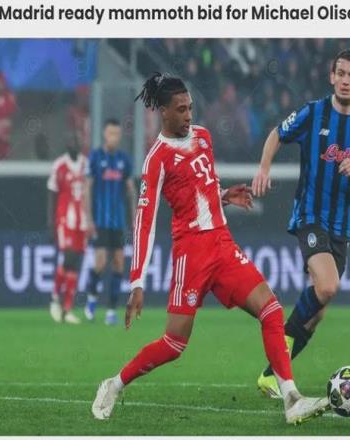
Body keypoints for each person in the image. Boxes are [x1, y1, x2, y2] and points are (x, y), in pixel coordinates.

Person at [91, 73, 329, 425]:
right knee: (175, 344)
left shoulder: (203, 136)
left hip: (222, 244)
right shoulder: (157, 159)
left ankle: (291, 398)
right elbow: (145, 221)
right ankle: (114, 383)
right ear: (163, 112)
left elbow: (200, 189)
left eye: (190, 108)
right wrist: (137, 281)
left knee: (271, 310)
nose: (189, 115)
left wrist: (223, 196)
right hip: (191, 254)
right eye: (181, 110)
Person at [252, 49, 350, 398]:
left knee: (317, 313)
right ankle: (278, 360)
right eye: (341, 73)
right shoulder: (313, 112)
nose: (345, 80)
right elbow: (277, 133)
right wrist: (263, 168)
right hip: (309, 215)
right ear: (331, 76)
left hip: (341, 227)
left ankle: (271, 376)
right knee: (327, 287)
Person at [84, 119, 137, 325]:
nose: (113, 137)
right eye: (110, 133)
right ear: (104, 135)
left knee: (118, 263)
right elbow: (88, 189)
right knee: (100, 262)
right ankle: (91, 297)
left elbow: (130, 190)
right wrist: (88, 218)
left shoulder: (124, 160)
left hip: (118, 222)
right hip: (100, 220)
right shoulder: (96, 157)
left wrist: (134, 218)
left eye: (117, 134)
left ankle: (111, 311)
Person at [47, 134, 87, 324]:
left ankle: (67, 309)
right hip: (65, 219)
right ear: (66, 145)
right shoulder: (59, 166)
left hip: (82, 221)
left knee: (75, 264)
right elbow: (52, 195)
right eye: (71, 142)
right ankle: (55, 297)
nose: (74, 145)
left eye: (77, 142)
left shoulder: (86, 164)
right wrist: (51, 224)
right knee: (69, 257)